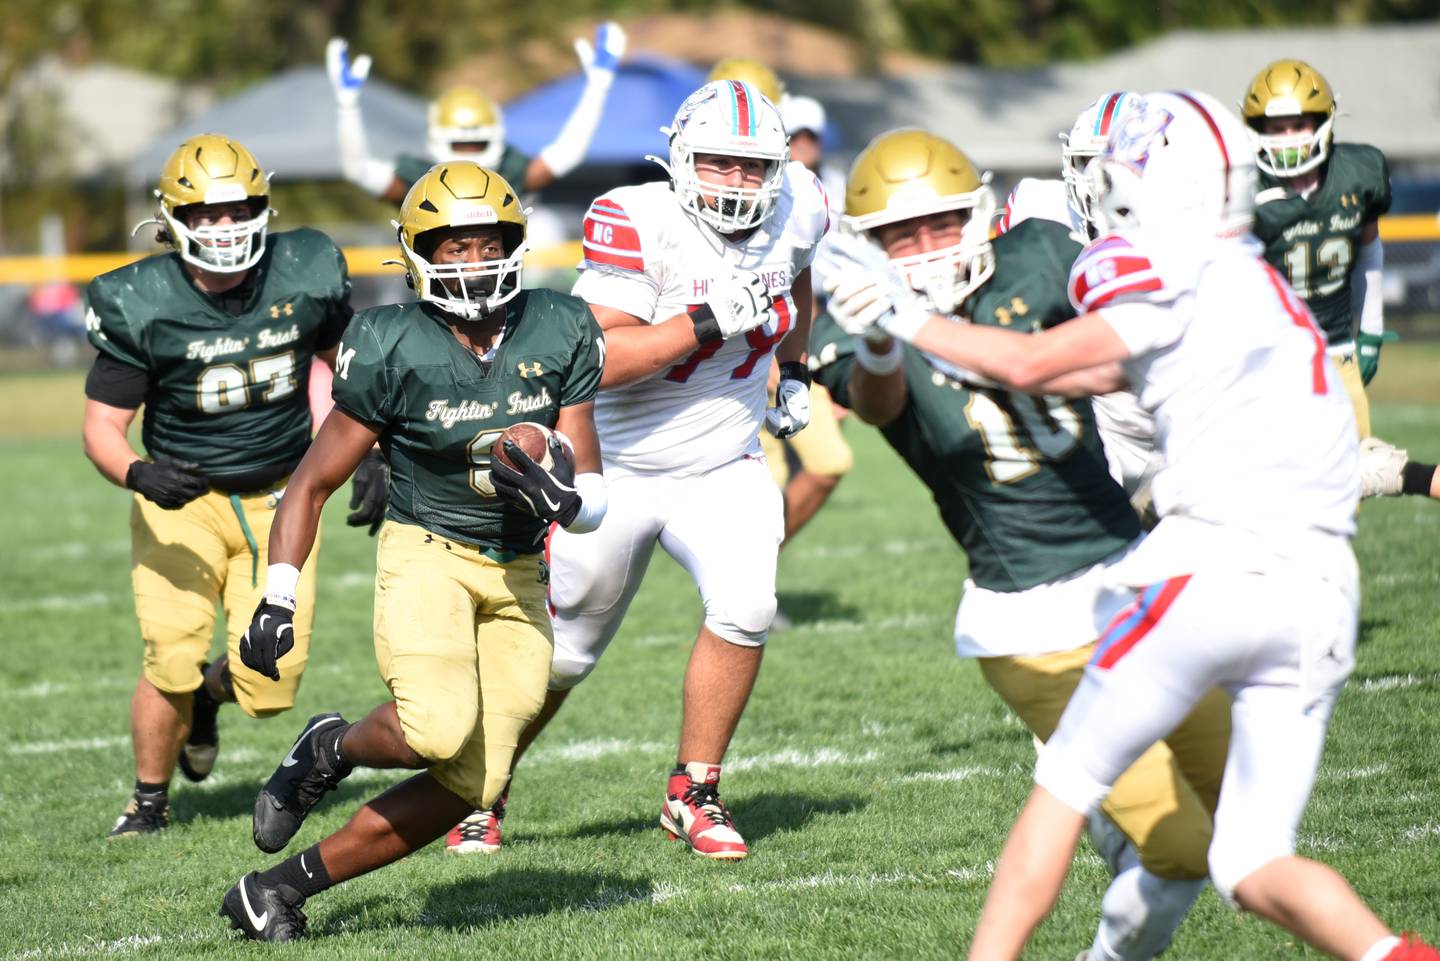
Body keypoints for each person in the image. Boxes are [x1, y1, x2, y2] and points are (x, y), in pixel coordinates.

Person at [841, 90, 1437, 961]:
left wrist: (901, 314)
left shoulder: (1135, 271)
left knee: (1061, 788)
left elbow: (1033, 358)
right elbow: (1106, 376)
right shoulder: (1270, 288)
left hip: (1213, 576)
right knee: (1252, 856)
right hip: (1324, 594)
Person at [821, 127, 1229, 961]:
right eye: (903, 234)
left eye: (942, 224)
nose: (927, 248)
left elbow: (1127, 339)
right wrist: (877, 338)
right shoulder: (862, 330)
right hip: (1032, 617)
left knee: (1244, 816)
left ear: (981, 215)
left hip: (1139, 574)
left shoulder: (1041, 252)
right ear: (870, 247)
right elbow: (877, 401)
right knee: (1183, 846)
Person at [218, 161, 607, 941]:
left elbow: (591, 487)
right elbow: (310, 484)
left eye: (485, 242)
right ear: (417, 253)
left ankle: (275, 890)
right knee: (434, 728)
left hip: (518, 567)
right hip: (427, 547)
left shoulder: (561, 326)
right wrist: (280, 594)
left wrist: (565, 499)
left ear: (515, 243)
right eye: (451, 245)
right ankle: (331, 746)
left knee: (477, 779)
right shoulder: (391, 340)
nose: (471, 261)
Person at [445, 79, 829, 859]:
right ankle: (480, 787)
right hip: (615, 466)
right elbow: (596, 359)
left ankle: (694, 792)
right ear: (683, 159)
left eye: (755, 167)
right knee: (567, 654)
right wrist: (707, 319)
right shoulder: (636, 217)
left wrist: (795, 369)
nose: (739, 182)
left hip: (725, 461)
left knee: (747, 605)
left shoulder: (806, 203)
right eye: (720, 164)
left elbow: (796, 277)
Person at [82, 134, 375, 839]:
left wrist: (371, 449)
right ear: (174, 218)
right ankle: (148, 800)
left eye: (238, 208)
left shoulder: (303, 270)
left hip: (286, 496)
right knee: (170, 654)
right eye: (206, 214)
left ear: (263, 206)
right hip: (180, 502)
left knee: (270, 687)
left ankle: (209, 701)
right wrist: (138, 470)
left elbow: (357, 368)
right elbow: (101, 424)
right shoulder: (142, 300)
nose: (224, 226)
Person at [1242, 60, 1439, 501]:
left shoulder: (1358, 172)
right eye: (1276, 126)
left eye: (1298, 124)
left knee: (1345, 489)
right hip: (1265, 356)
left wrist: (1368, 333)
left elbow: (1368, 247)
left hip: (1334, 351)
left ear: (1323, 121)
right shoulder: (1243, 190)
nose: (1288, 137)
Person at [326, 23, 626, 202]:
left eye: (476, 143)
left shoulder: (508, 173)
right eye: (461, 144)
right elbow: (358, 170)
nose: (469, 154)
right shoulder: (419, 179)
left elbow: (567, 153)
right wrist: (347, 106)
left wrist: (597, 87)